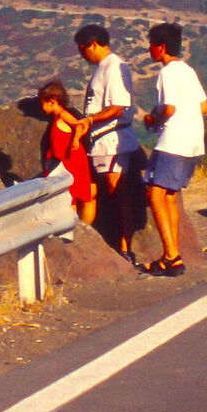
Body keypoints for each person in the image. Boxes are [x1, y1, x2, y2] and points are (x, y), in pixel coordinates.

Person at [140, 22, 207, 277]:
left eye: (151, 45)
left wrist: (152, 119)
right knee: (169, 195)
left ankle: (172, 256)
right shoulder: (188, 70)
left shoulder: (167, 73)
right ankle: (172, 255)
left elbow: (168, 109)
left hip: (173, 140)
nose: (150, 49)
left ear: (161, 47)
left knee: (154, 194)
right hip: (192, 141)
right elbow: (204, 107)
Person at [75, 23, 143, 260]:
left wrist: (89, 120)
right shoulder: (103, 68)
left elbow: (117, 106)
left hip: (112, 140)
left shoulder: (113, 67)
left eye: (82, 49)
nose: (82, 55)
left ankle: (125, 248)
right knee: (101, 192)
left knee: (118, 192)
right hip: (99, 140)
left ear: (93, 44)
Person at [34, 79, 100, 222]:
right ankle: (78, 227)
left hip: (72, 160)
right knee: (72, 196)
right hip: (65, 160)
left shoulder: (62, 115)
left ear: (52, 101)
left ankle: (79, 228)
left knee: (76, 196)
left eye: (43, 103)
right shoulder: (56, 118)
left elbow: (79, 125)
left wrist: (76, 138)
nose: (41, 107)